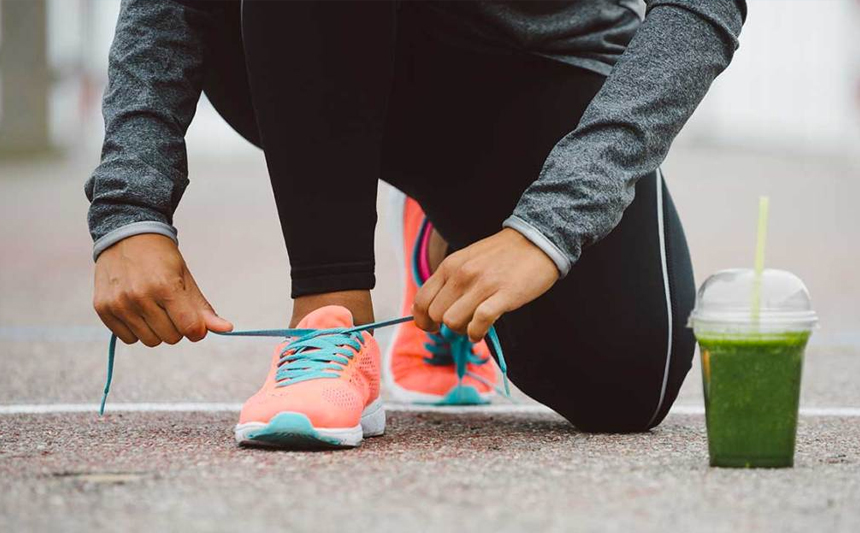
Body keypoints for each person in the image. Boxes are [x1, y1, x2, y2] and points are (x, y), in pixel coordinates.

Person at [87, 0, 746, 448]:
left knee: (626, 386)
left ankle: (447, 227)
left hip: (539, 62)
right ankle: (331, 322)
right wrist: (131, 206)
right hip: (310, 44)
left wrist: (547, 227)